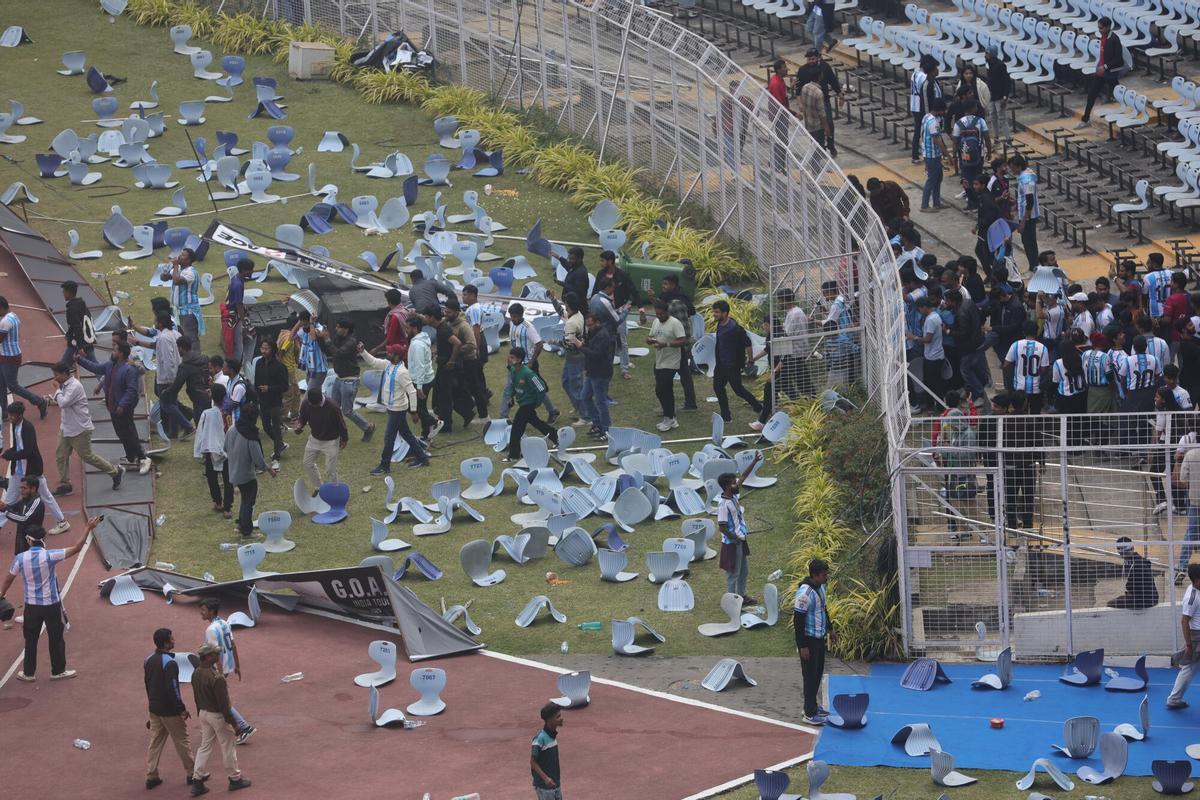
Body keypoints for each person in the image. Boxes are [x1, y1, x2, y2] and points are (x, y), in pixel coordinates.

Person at [0, 516, 99, 682]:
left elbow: (9, 578)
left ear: (28, 540)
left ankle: (28, 673)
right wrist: (88, 528)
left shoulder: (20, 558)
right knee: (56, 638)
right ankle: (58, 671)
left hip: (31, 606)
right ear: (43, 539)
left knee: (30, 639)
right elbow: (76, 548)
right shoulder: (50, 555)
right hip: (51, 604)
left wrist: (2, 593)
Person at [47, 360, 123, 496]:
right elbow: (59, 401)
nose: (55, 378)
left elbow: (63, 403)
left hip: (80, 429)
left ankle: (115, 471)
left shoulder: (75, 386)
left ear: (65, 373)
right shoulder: (64, 384)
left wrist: (56, 390)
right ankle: (66, 484)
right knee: (61, 456)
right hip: (66, 427)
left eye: (57, 375)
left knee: (87, 456)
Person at [78, 342, 151, 474]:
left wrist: (122, 405)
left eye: (115, 350)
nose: (112, 352)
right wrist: (79, 360)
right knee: (121, 433)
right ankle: (130, 457)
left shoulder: (129, 369)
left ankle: (143, 458)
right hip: (113, 406)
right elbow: (96, 368)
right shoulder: (110, 365)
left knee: (128, 432)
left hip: (123, 408)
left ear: (121, 354)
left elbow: (131, 390)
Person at [189, 643, 252, 795]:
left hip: (204, 713)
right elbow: (225, 706)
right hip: (217, 716)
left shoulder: (196, 673)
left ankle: (197, 779)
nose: (218, 656)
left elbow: (196, 697)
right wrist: (235, 724)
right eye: (216, 654)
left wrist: (200, 713)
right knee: (228, 746)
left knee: (205, 746)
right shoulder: (217, 678)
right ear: (208, 656)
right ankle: (235, 778)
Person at [2, 400, 69, 535]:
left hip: (32, 471)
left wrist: (11, 456)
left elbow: (28, 451)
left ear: (20, 415)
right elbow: (17, 447)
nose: (9, 418)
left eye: (12, 415)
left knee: (45, 496)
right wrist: (9, 452)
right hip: (19, 470)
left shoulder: (27, 428)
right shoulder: (15, 426)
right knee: (9, 499)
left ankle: (62, 522)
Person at [360, 344, 429, 474]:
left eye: (390, 352)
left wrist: (414, 412)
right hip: (392, 408)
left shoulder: (402, 372)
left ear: (397, 356)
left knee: (389, 437)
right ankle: (422, 458)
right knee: (406, 434)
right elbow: (374, 362)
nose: (387, 353)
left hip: (398, 410)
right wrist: (363, 351)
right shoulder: (388, 365)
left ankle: (384, 465)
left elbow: (412, 392)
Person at [199, 597, 256, 744]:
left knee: (221, 701)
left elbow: (214, 654)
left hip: (218, 667)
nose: (201, 612)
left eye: (203, 610)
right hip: (227, 665)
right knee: (215, 699)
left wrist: (217, 674)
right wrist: (237, 665)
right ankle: (216, 727)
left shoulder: (211, 630)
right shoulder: (224, 623)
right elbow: (233, 645)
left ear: (211, 612)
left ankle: (244, 727)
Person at [144, 627, 195, 790]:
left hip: (154, 708)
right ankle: (192, 774)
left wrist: (151, 705)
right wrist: (181, 709)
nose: (174, 640)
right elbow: (173, 688)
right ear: (166, 643)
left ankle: (151, 775)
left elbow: (148, 685)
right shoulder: (170, 663)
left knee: (155, 742)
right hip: (169, 711)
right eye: (171, 639)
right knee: (182, 741)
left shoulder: (148, 660)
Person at [136, 313, 194, 439]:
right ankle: (173, 432)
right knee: (172, 402)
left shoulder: (163, 338)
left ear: (160, 323)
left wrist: (169, 379)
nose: (154, 322)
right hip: (175, 374)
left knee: (166, 404)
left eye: (155, 320)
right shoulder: (175, 334)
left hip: (166, 377)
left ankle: (187, 426)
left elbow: (168, 360)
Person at [717, 453, 763, 604]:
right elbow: (722, 528)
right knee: (733, 574)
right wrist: (736, 538)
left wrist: (755, 460)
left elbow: (743, 476)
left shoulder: (733, 495)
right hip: (732, 544)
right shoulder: (723, 505)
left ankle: (742, 596)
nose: (737, 484)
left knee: (744, 571)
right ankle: (732, 601)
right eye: (733, 483)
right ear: (726, 486)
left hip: (740, 541)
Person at [501, 303, 559, 422]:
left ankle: (553, 411)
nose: (512, 319)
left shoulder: (528, 328)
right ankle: (503, 417)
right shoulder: (512, 324)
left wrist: (531, 362)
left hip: (527, 366)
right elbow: (513, 342)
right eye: (511, 316)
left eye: (515, 316)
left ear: (521, 315)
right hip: (514, 364)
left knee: (537, 388)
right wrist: (510, 361)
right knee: (508, 389)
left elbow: (539, 344)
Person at [795, 557, 835, 725]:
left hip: (819, 638)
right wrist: (802, 646)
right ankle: (809, 713)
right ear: (815, 575)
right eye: (824, 575)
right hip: (809, 641)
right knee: (809, 676)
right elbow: (798, 621)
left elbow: (823, 609)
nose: (827, 577)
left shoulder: (820, 588)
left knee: (817, 674)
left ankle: (813, 705)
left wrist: (831, 629)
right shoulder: (804, 595)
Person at [225, 404, 275, 538]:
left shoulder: (231, 429)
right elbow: (258, 459)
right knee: (248, 501)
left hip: (233, 472)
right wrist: (269, 468)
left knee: (244, 500)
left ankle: (241, 524)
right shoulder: (250, 436)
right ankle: (246, 531)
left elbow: (225, 447)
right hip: (246, 475)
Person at [322, 318, 375, 442]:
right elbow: (328, 350)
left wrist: (327, 339)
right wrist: (321, 338)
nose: (336, 329)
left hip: (349, 380)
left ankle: (367, 427)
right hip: (339, 378)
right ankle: (336, 434)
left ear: (345, 329)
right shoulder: (338, 338)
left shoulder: (351, 342)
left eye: (338, 327)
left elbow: (338, 353)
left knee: (347, 411)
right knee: (333, 408)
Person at [503, 347, 558, 463]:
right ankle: (556, 436)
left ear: (519, 360)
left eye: (512, 357)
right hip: (523, 403)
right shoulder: (513, 370)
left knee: (516, 429)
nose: (509, 359)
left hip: (527, 405)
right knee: (537, 423)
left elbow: (541, 387)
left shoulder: (528, 373)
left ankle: (514, 455)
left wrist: (536, 402)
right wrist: (511, 397)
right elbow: (514, 385)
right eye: (510, 356)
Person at [711, 300, 763, 423]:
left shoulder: (735, 329)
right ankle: (726, 416)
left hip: (732, 365)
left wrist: (750, 360)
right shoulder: (719, 324)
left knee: (738, 389)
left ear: (725, 313)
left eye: (717, 312)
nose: (714, 314)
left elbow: (748, 343)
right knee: (718, 387)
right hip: (721, 365)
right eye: (714, 312)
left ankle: (757, 405)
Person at [0, 296, 49, 418]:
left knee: (12, 386)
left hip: (8, 357)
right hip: (9, 355)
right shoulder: (14, 316)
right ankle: (4, 412)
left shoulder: (5, 321)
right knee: (1, 383)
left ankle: (40, 401)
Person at [293, 386, 347, 491]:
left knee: (330, 469)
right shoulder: (307, 403)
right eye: (311, 404)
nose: (314, 406)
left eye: (316, 404)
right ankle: (319, 487)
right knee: (307, 464)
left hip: (331, 441)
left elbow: (341, 423)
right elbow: (303, 418)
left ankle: (334, 490)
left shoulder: (332, 407)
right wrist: (300, 425)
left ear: (320, 399)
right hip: (314, 439)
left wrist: (344, 438)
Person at [593, 251, 636, 379]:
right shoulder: (601, 275)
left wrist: (632, 307)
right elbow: (595, 291)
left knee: (621, 341)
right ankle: (603, 366)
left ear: (610, 261)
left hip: (617, 311)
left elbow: (632, 291)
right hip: (607, 315)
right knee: (606, 341)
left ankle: (624, 368)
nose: (601, 263)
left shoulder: (621, 275)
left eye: (603, 261)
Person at [793, 48, 843, 156]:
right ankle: (817, 149)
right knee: (814, 127)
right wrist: (799, 103)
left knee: (829, 122)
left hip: (823, 100)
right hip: (809, 103)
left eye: (813, 59)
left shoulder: (825, 68)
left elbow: (833, 81)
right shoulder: (802, 70)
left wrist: (840, 94)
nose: (811, 61)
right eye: (809, 59)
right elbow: (797, 87)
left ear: (818, 58)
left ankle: (830, 143)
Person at [551, 291, 590, 426]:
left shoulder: (571, 323)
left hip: (575, 357)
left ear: (569, 305)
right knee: (566, 381)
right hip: (573, 356)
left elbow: (569, 344)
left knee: (576, 386)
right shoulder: (577, 314)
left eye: (565, 303)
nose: (564, 305)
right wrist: (553, 299)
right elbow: (562, 313)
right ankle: (577, 406)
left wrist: (554, 342)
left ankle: (585, 417)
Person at [574, 312, 615, 441]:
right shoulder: (593, 333)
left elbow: (595, 354)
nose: (588, 327)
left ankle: (606, 430)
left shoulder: (602, 336)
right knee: (585, 396)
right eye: (587, 325)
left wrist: (581, 346)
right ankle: (597, 423)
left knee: (600, 401)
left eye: (590, 325)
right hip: (592, 371)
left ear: (598, 322)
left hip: (601, 373)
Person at [648, 299, 687, 432]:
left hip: (671, 362)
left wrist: (667, 344)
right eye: (657, 314)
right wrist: (650, 340)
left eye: (661, 314)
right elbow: (651, 335)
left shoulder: (675, 323)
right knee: (666, 390)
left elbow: (683, 340)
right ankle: (671, 417)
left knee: (660, 389)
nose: (659, 316)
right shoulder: (656, 322)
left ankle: (668, 417)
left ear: (667, 312)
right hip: (659, 360)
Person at [1078, 17, 1125, 126]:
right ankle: (1085, 119)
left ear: (1108, 27)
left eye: (1101, 28)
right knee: (1091, 94)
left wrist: (1105, 66)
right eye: (1099, 28)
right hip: (1101, 73)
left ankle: (1131, 113)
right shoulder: (1103, 36)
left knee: (1119, 96)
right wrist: (1099, 66)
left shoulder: (1114, 39)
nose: (1099, 30)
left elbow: (1118, 59)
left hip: (1110, 73)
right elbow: (1103, 54)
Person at [196, 383, 233, 518]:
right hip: (226, 448)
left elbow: (202, 432)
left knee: (212, 477)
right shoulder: (227, 413)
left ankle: (218, 502)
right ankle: (228, 508)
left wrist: (201, 450)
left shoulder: (206, 413)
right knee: (228, 479)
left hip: (210, 449)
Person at [445, 300, 483, 429]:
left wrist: (456, 351)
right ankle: (469, 409)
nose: (446, 314)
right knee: (463, 388)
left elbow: (472, 344)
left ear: (456, 312)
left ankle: (484, 415)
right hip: (460, 361)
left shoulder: (463, 326)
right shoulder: (449, 323)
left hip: (469, 361)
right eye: (445, 311)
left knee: (475, 388)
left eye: (449, 312)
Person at [1167, 562, 1200, 710]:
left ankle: (1174, 699)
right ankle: (1174, 699)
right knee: (1189, 668)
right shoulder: (1192, 598)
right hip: (1197, 636)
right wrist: (1189, 645)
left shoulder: (1195, 589)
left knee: (1190, 668)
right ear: (1197, 580)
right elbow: (1184, 621)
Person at [405, 315, 441, 443]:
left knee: (415, 407)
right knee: (421, 407)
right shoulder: (422, 339)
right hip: (426, 378)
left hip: (421, 380)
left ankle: (435, 422)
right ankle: (426, 434)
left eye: (408, 328)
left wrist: (419, 387)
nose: (406, 330)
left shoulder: (417, 345)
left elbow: (419, 366)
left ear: (415, 328)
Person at [253, 339, 289, 465]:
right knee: (266, 426)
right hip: (263, 401)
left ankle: (277, 454)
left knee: (276, 427)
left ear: (272, 350)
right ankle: (280, 444)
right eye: (262, 348)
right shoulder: (258, 363)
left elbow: (285, 386)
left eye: (266, 348)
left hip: (274, 401)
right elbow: (256, 381)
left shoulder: (280, 367)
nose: (263, 351)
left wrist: (270, 388)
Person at [951, 97, 991, 211]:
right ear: (973, 108)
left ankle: (970, 203)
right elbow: (987, 137)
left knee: (966, 179)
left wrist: (954, 155)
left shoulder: (958, 123)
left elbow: (955, 141)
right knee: (978, 178)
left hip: (964, 155)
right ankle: (979, 202)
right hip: (978, 154)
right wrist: (989, 151)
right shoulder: (980, 121)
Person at [1003, 321, 1051, 413]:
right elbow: (1044, 369)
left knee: (1020, 414)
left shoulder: (1016, 345)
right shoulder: (1043, 348)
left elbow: (1006, 364)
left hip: (1019, 387)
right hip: (1036, 388)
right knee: (1035, 414)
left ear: (1023, 332)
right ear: (1036, 332)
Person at [908, 297, 946, 409]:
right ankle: (936, 405)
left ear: (924, 307)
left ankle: (934, 406)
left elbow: (928, 339)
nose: (919, 311)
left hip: (933, 357)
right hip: (936, 355)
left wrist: (913, 337)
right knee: (935, 382)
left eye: (920, 309)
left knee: (931, 384)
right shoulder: (936, 316)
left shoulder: (930, 320)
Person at [461, 284, 491, 419]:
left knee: (474, 374)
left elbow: (476, 330)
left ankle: (482, 398)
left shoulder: (474, 309)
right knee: (478, 372)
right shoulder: (474, 308)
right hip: (479, 340)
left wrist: (476, 348)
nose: (463, 297)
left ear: (473, 295)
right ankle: (485, 395)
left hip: (477, 341)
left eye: (465, 294)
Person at [163, 248, 203, 347]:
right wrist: (170, 266)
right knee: (180, 338)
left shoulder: (191, 273)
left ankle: (195, 359)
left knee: (190, 339)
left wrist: (176, 265)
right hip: (177, 311)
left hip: (188, 311)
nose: (180, 256)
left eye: (183, 255)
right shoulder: (178, 270)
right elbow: (163, 278)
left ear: (189, 260)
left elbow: (176, 281)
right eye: (180, 254)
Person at [1105, 537, 1159, 610]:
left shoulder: (1136, 564)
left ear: (1132, 548)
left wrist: (1129, 594)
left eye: (1125, 552)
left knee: (1110, 604)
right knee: (1119, 600)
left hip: (1145, 600)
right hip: (1150, 598)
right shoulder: (1136, 560)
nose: (1123, 555)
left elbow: (1131, 586)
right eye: (1121, 553)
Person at [168, 337, 212, 428]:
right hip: (209, 393)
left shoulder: (185, 366)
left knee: (200, 423)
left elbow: (177, 385)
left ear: (180, 348)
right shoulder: (204, 359)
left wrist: (166, 392)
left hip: (197, 396)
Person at [1010, 154, 1041, 273]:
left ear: (1018, 166)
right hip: (1024, 214)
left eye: (1012, 167)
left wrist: (1023, 221)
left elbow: (1029, 201)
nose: (1011, 170)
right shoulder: (1023, 176)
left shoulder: (1027, 180)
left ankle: (1034, 267)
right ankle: (1033, 265)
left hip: (1028, 216)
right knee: (1027, 242)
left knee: (1029, 243)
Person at [910, 55, 942, 164]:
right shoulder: (924, 77)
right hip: (921, 106)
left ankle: (915, 154)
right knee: (923, 130)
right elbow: (924, 93)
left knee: (918, 130)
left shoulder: (915, 73)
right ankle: (921, 153)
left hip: (914, 104)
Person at [919, 97, 948, 212]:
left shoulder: (926, 117)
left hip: (930, 153)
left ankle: (936, 202)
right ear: (939, 110)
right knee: (932, 179)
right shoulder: (933, 122)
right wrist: (947, 154)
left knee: (938, 178)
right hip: (932, 155)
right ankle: (924, 205)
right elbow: (937, 140)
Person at [290, 310, 328, 396]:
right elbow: (291, 337)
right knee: (317, 395)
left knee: (309, 396)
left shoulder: (319, 328)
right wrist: (299, 322)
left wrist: (311, 323)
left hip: (319, 369)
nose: (303, 326)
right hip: (310, 369)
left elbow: (314, 338)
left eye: (305, 324)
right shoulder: (304, 330)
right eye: (302, 324)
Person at [530, 702, 564, 800]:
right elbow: (532, 762)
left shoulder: (552, 736)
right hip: (545, 787)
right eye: (558, 717)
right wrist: (546, 779)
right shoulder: (540, 739)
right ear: (549, 720)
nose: (561, 718)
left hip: (555, 784)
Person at [4, 476, 45, 556]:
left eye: (24, 488)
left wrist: (6, 512)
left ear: (33, 489)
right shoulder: (25, 500)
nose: (21, 491)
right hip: (22, 538)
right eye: (21, 488)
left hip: (32, 541)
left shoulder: (37, 502)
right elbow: (13, 507)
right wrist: (4, 507)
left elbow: (24, 518)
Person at [226, 258, 255, 362]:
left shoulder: (236, 278)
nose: (252, 271)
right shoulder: (238, 285)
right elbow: (238, 306)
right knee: (241, 341)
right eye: (250, 269)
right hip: (236, 315)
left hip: (236, 311)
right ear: (243, 270)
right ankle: (239, 364)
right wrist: (244, 323)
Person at [60, 280, 95, 363]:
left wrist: (80, 347)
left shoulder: (72, 309)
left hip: (78, 343)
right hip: (87, 340)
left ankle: (103, 375)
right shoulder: (82, 304)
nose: (63, 294)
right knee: (94, 364)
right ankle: (102, 375)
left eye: (64, 291)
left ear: (68, 292)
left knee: (63, 367)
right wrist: (68, 334)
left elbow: (77, 327)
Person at [798, 70, 832, 151]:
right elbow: (822, 113)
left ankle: (814, 162)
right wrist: (826, 127)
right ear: (820, 77)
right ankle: (813, 163)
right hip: (818, 126)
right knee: (819, 148)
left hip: (808, 123)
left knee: (814, 146)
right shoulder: (818, 93)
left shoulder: (805, 87)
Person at [984, 46, 1011, 142]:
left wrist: (1005, 96)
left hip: (1000, 96)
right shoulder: (988, 64)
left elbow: (1007, 82)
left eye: (987, 54)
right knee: (992, 116)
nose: (985, 55)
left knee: (1002, 118)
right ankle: (996, 137)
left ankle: (1008, 138)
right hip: (991, 95)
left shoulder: (1000, 65)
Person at [378, 288, 409, 363]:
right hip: (406, 346)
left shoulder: (394, 317)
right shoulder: (405, 310)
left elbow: (390, 338)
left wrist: (377, 348)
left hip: (395, 351)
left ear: (389, 302)